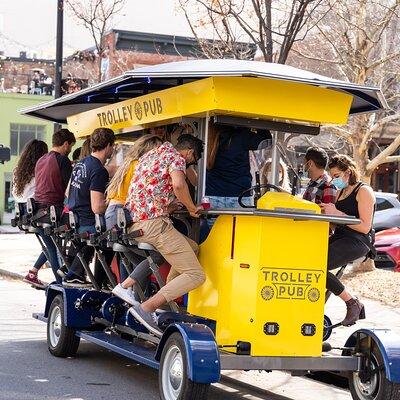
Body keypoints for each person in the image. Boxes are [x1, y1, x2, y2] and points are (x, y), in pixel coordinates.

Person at [112, 134, 205, 336]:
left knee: (193, 248)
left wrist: (169, 205)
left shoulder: (152, 154)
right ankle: (147, 308)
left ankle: (167, 303)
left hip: (135, 223)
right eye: (194, 160)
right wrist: (191, 208)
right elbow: (179, 185)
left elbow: (148, 192)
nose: (191, 164)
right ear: (189, 153)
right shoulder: (176, 158)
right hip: (154, 226)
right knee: (196, 275)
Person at [320, 154, 375, 326]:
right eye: (332, 176)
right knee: (307, 260)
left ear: (348, 172)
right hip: (341, 236)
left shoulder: (364, 191)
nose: (333, 181)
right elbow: (339, 222)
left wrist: (338, 214)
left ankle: (352, 303)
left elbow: (365, 226)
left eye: (336, 176)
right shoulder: (341, 192)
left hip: (358, 240)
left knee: (317, 264)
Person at [64, 128, 115, 286]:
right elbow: (97, 207)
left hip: (76, 220)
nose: (112, 150)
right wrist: (113, 202)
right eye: (113, 146)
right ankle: (99, 281)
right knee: (114, 238)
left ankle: (78, 272)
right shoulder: (99, 170)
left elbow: (67, 193)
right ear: (108, 145)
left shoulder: (81, 164)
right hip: (89, 224)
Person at [34, 129, 76, 282]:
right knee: (79, 236)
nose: (70, 150)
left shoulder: (41, 160)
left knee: (52, 248)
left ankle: (64, 278)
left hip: (38, 211)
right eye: (70, 146)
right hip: (53, 212)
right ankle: (67, 278)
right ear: (66, 144)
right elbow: (71, 188)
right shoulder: (62, 160)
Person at [206, 122, 271, 208]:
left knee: (216, 222)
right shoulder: (241, 136)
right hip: (240, 196)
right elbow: (266, 141)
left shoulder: (208, 138)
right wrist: (254, 123)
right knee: (239, 222)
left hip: (212, 195)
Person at [12, 139, 49, 288]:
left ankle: (33, 272)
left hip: (24, 214)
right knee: (53, 245)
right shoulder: (39, 170)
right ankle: (62, 281)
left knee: (50, 245)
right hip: (37, 213)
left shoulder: (17, 170)